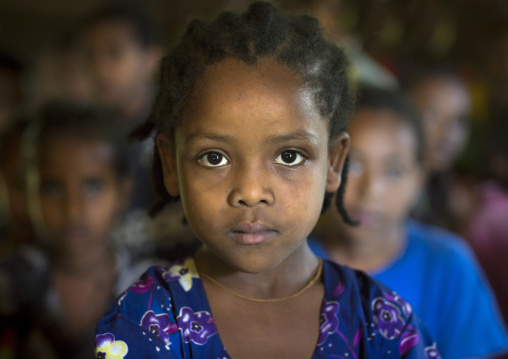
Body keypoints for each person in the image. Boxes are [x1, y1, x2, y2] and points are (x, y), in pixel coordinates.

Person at [95, 3, 439, 358]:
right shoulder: (143, 322)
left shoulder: (383, 323)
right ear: (170, 164)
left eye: (289, 156)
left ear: (334, 162)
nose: (251, 192)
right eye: (214, 158)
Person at [309, 87, 508, 358]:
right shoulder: (290, 264)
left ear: (419, 180)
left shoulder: (447, 265)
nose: (371, 190)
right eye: (353, 165)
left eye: (394, 171)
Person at [0, 102, 162, 359]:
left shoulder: (155, 291)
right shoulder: (12, 281)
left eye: (93, 186)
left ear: (123, 193)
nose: (73, 210)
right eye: (53, 188)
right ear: (30, 192)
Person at [402, 67, 471, 227]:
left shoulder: (442, 193)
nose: (450, 132)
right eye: (433, 115)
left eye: (460, 120)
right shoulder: (379, 189)